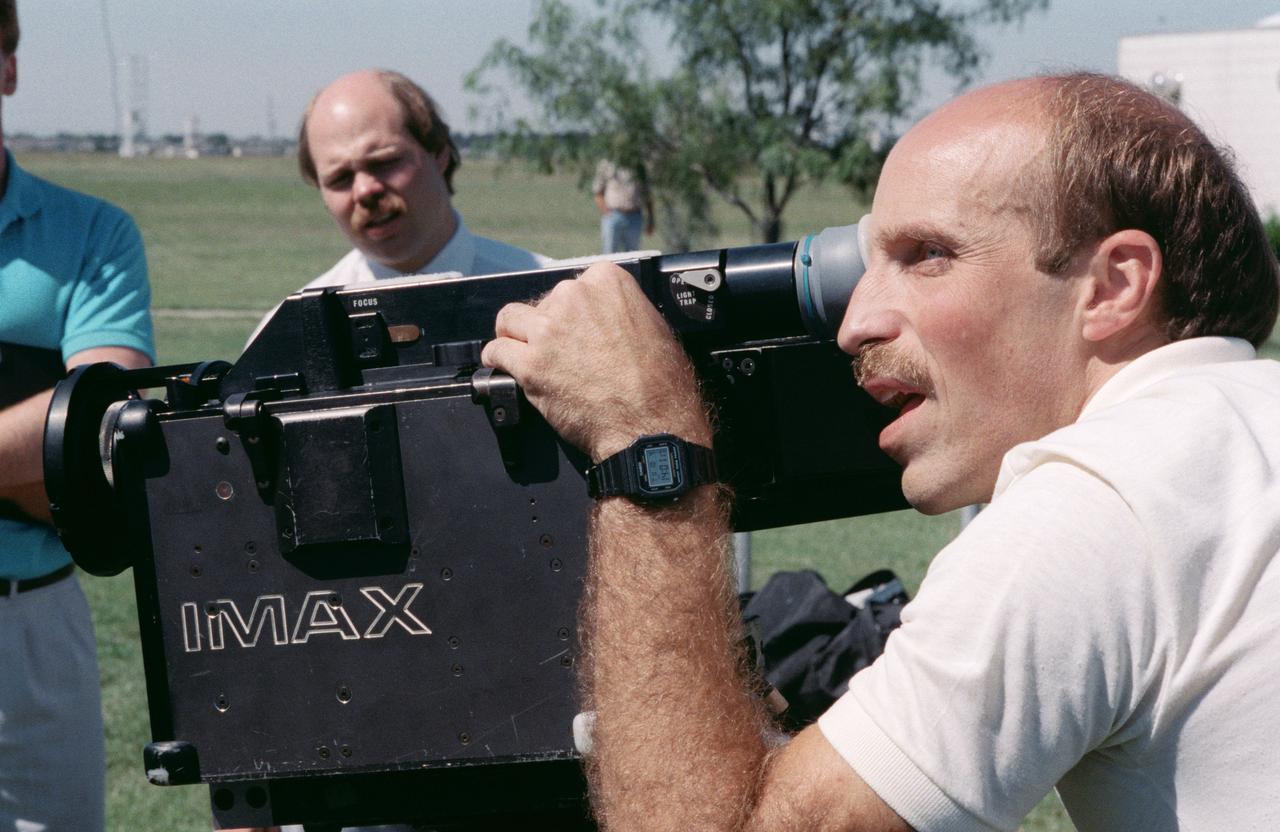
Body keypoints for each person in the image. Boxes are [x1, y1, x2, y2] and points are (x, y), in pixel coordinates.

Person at [481, 72, 1280, 830]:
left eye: (926, 255)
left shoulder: (1095, 504)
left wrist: (644, 446)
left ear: (1113, 286)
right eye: (866, 268)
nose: (854, 322)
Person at [0, 2, 155, 830]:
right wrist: (26, 455)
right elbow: (54, 447)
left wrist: (60, 447)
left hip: (32, 618)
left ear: (8, 69)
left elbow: (99, 419)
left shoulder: (91, 232)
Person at [297, 68, 550, 289]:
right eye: (340, 178)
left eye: (384, 162)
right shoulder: (291, 333)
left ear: (440, 152)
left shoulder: (547, 297)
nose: (364, 190)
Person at [592, 159, 653, 253]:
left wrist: (651, 219)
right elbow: (598, 192)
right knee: (609, 253)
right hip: (613, 215)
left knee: (633, 254)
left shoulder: (639, 165)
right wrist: (607, 213)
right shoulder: (607, 163)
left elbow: (647, 194)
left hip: (634, 215)